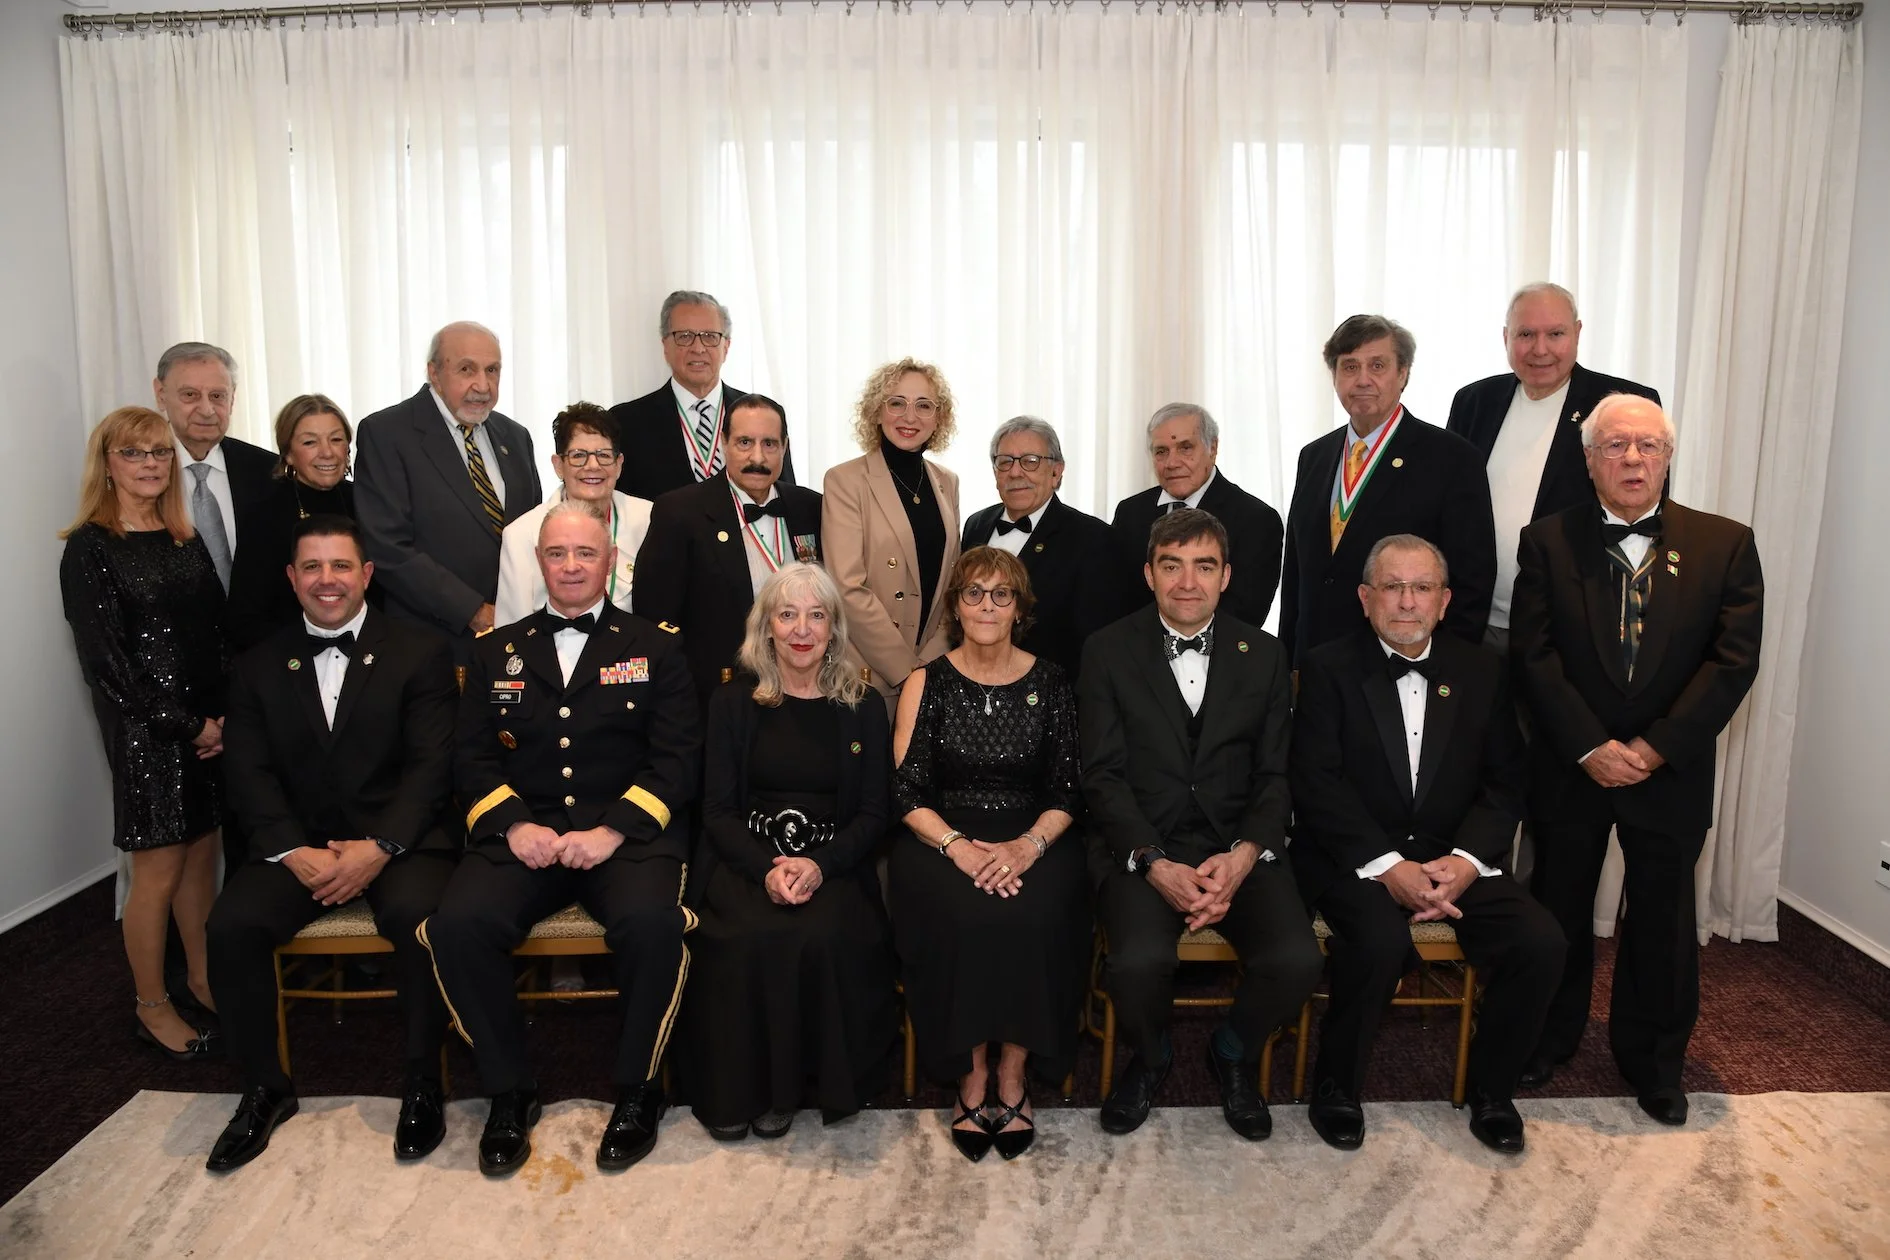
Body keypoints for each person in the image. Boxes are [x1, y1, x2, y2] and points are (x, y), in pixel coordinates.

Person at [422, 501, 702, 1176]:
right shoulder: (495, 651)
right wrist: (515, 825)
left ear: (610, 562)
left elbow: (677, 761)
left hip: (625, 837)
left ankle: (639, 1091)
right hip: (526, 836)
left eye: (585, 554)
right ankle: (508, 1089)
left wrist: (612, 831)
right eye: (557, 554)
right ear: (538, 562)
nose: (571, 566)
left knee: (652, 924)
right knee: (457, 924)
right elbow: (472, 759)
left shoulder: (656, 646)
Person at [1511, 394, 1763, 1127]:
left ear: (1668, 457)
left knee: (1663, 919)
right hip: (1572, 764)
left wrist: (1655, 748)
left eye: (1647, 446)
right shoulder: (1547, 542)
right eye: (1615, 446)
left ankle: (1655, 1062)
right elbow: (1534, 655)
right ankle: (1547, 1039)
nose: (1631, 459)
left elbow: (1732, 663)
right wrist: (1590, 746)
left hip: (1670, 769)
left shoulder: (1727, 544)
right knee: (1558, 909)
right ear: (1589, 462)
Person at [1290, 534, 1565, 1155]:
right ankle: (1336, 1088)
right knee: (1379, 942)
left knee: (1541, 942)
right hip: (1355, 859)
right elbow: (1316, 783)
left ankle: (1493, 1090)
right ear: (1366, 598)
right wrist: (1389, 867)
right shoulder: (1329, 667)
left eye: (1421, 588)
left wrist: (1466, 863)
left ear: (1445, 601)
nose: (1406, 602)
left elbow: (1504, 783)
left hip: (1454, 857)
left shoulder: (1483, 670)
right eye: (1392, 587)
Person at [204, 516, 460, 1171]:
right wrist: (293, 851)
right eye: (312, 568)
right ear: (291, 579)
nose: (327, 580)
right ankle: (265, 1087)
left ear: (367, 575)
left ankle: (423, 1081)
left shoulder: (422, 650)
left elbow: (433, 766)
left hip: (400, 841)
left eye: (341, 566)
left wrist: (380, 846)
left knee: (417, 917)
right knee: (231, 924)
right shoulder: (258, 665)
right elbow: (248, 772)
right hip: (302, 846)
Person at [1077, 508, 1321, 1140]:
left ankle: (1232, 1049)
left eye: (1204, 566)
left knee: (1297, 958)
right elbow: (1101, 774)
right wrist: (1153, 862)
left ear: (1227, 576)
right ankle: (1153, 1055)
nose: (1188, 582)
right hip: (1143, 845)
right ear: (1149, 574)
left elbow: (1275, 775)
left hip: (1238, 845)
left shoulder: (1265, 654)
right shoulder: (1106, 650)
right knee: (1133, 965)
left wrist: (1241, 858)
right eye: (1172, 566)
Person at [679, 563, 897, 1140]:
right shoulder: (732, 702)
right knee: (742, 934)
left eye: (816, 615)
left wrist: (819, 868)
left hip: (835, 862)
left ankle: (787, 1092)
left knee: (818, 936)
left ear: (834, 629)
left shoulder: (864, 706)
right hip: (747, 857)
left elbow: (876, 813)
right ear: (767, 626)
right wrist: (766, 869)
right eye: (788, 614)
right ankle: (735, 1090)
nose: (802, 629)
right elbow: (717, 811)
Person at [891, 547, 1088, 1163]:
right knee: (968, 916)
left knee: (1036, 914)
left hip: (1033, 834)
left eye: (1001, 594)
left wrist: (1027, 847)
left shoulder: (1052, 681)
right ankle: (972, 1073)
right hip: (940, 834)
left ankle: (1014, 1073)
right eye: (973, 593)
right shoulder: (927, 681)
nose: (986, 605)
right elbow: (904, 789)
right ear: (955, 605)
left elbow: (1067, 789)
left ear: (1020, 607)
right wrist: (957, 848)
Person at [59, 406, 227, 1062]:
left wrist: (220, 720)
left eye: (159, 453)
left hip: (207, 729)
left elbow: (215, 635)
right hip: (147, 736)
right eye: (134, 454)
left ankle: (203, 977)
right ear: (108, 463)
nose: (151, 464)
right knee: (156, 869)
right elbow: (109, 665)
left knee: (199, 860)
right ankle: (150, 1005)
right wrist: (186, 726)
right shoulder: (90, 546)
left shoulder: (181, 534)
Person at [1445, 283, 1663, 655]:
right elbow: (1447, 504)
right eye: (1526, 334)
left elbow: (1642, 521)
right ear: (1505, 338)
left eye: (1555, 334)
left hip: (1569, 630)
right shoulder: (1474, 401)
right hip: (1474, 626)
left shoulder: (1623, 404)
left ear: (1577, 333)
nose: (1540, 349)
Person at [1281, 315, 1496, 663]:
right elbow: (1296, 576)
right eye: (1349, 367)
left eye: (1377, 365)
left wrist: (1446, 668)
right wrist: (1288, 659)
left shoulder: (1452, 458)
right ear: (1334, 377)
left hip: (1402, 665)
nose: (1362, 379)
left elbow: (1473, 580)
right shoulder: (1314, 456)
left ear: (1403, 373)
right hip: (1317, 664)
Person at [354, 321, 542, 658]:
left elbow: (535, 531)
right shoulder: (387, 433)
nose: (482, 385)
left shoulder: (516, 436)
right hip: (430, 644)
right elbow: (387, 548)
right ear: (434, 373)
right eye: (466, 369)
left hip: (518, 639)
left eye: (492, 370)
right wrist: (473, 611)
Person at [634, 394, 823, 697]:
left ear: (785, 447)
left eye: (770, 444)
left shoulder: (812, 507)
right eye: (745, 442)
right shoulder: (680, 512)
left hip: (803, 688)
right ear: (724, 443)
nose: (757, 458)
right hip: (718, 693)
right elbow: (654, 614)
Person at [822, 358, 963, 706]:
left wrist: (931, 664)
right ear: (876, 411)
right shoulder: (845, 481)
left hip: (933, 671)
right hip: (870, 675)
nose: (909, 417)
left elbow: (952, 582)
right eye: (896, 402)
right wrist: (906, 670)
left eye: (924, 405)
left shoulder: (948, 482)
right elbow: (846, 587)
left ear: (939, 416)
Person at [961, 416, 1125, 676]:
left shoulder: (1093, 539)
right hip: (972, 686)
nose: (1016, 472)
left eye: (1030, 461)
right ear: (995, 472)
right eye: (1005, 462)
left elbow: (1095, 645)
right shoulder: (975, 524)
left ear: (1056, 471)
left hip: (1049, 699)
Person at [1110, 403, 1284, 629]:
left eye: (1185, 448)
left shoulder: (1256, 520)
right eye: (1161, 451)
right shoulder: (1130, 513)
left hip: (1219, 658)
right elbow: (1115, 599)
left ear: (1212, 449)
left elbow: (1244, 614)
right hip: (1136, 655)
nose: (1172, 463)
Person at [610, 290, 795, 501]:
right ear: (665, 346)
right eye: (685, 337)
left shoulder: (764, 416)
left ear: (726, 346)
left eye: (710, 337)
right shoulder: (626, 422)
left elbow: (785, 494)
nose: (698, 348)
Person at [225, 394, 370, 651]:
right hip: (288, 658)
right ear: (288, 454)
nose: (327, 452)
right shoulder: (263, 514)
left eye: (336, 439)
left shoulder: (369, 503)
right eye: (310, 442)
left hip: (367, 652)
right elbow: (246, 617)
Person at [496, 402, 652, 626]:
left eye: (604, 455)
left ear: (619, 465)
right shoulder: (521, 534)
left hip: (633, 656)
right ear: (558, 465)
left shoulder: (650, 520)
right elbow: (511, 630)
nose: (592, 466)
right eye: (579, 456)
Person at [151, 341, 276, 595]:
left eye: (218, 396)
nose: (207, 410)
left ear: (233, 398)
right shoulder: (139, 472)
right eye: (190, 395)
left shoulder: (268, 471)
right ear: (161, 394)